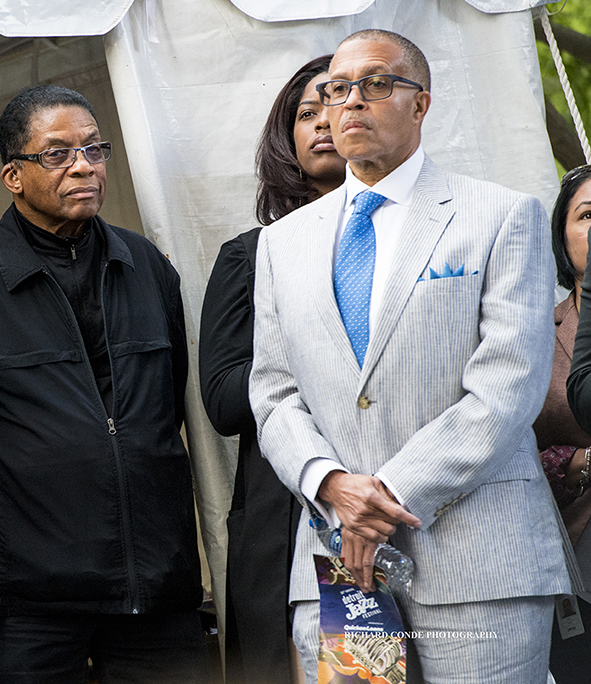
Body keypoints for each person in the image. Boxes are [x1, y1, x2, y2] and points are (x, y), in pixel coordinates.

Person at [249, 29, 576, 681]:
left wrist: (387, 494)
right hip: (340, 564)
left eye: (375, 85)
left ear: (420, 103)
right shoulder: (281, 245)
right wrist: (331, 485)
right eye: (337, 90)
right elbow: (274, 393)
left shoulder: (500, 216)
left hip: (479, 562)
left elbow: (507, 389)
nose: (350, 104)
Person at [0, 84, 205, 684]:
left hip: (155, 591)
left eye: (95, 149)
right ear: (13, 176)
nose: (84, 166)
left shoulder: (148, 268)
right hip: (28, 607)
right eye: (58, 153)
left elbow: (168, 407)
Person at [199, 54, 343, 683]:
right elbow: (225, 400)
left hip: (402, 504)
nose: (321, 123)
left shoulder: (419, 240)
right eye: (303, 114)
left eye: (334, 106)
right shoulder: (250, 256)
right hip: (290, 515)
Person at [543, 164, 591, 684]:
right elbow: (507, 450)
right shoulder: (533, 335)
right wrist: (578, 462)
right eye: (588, 215)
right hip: (578, 557)